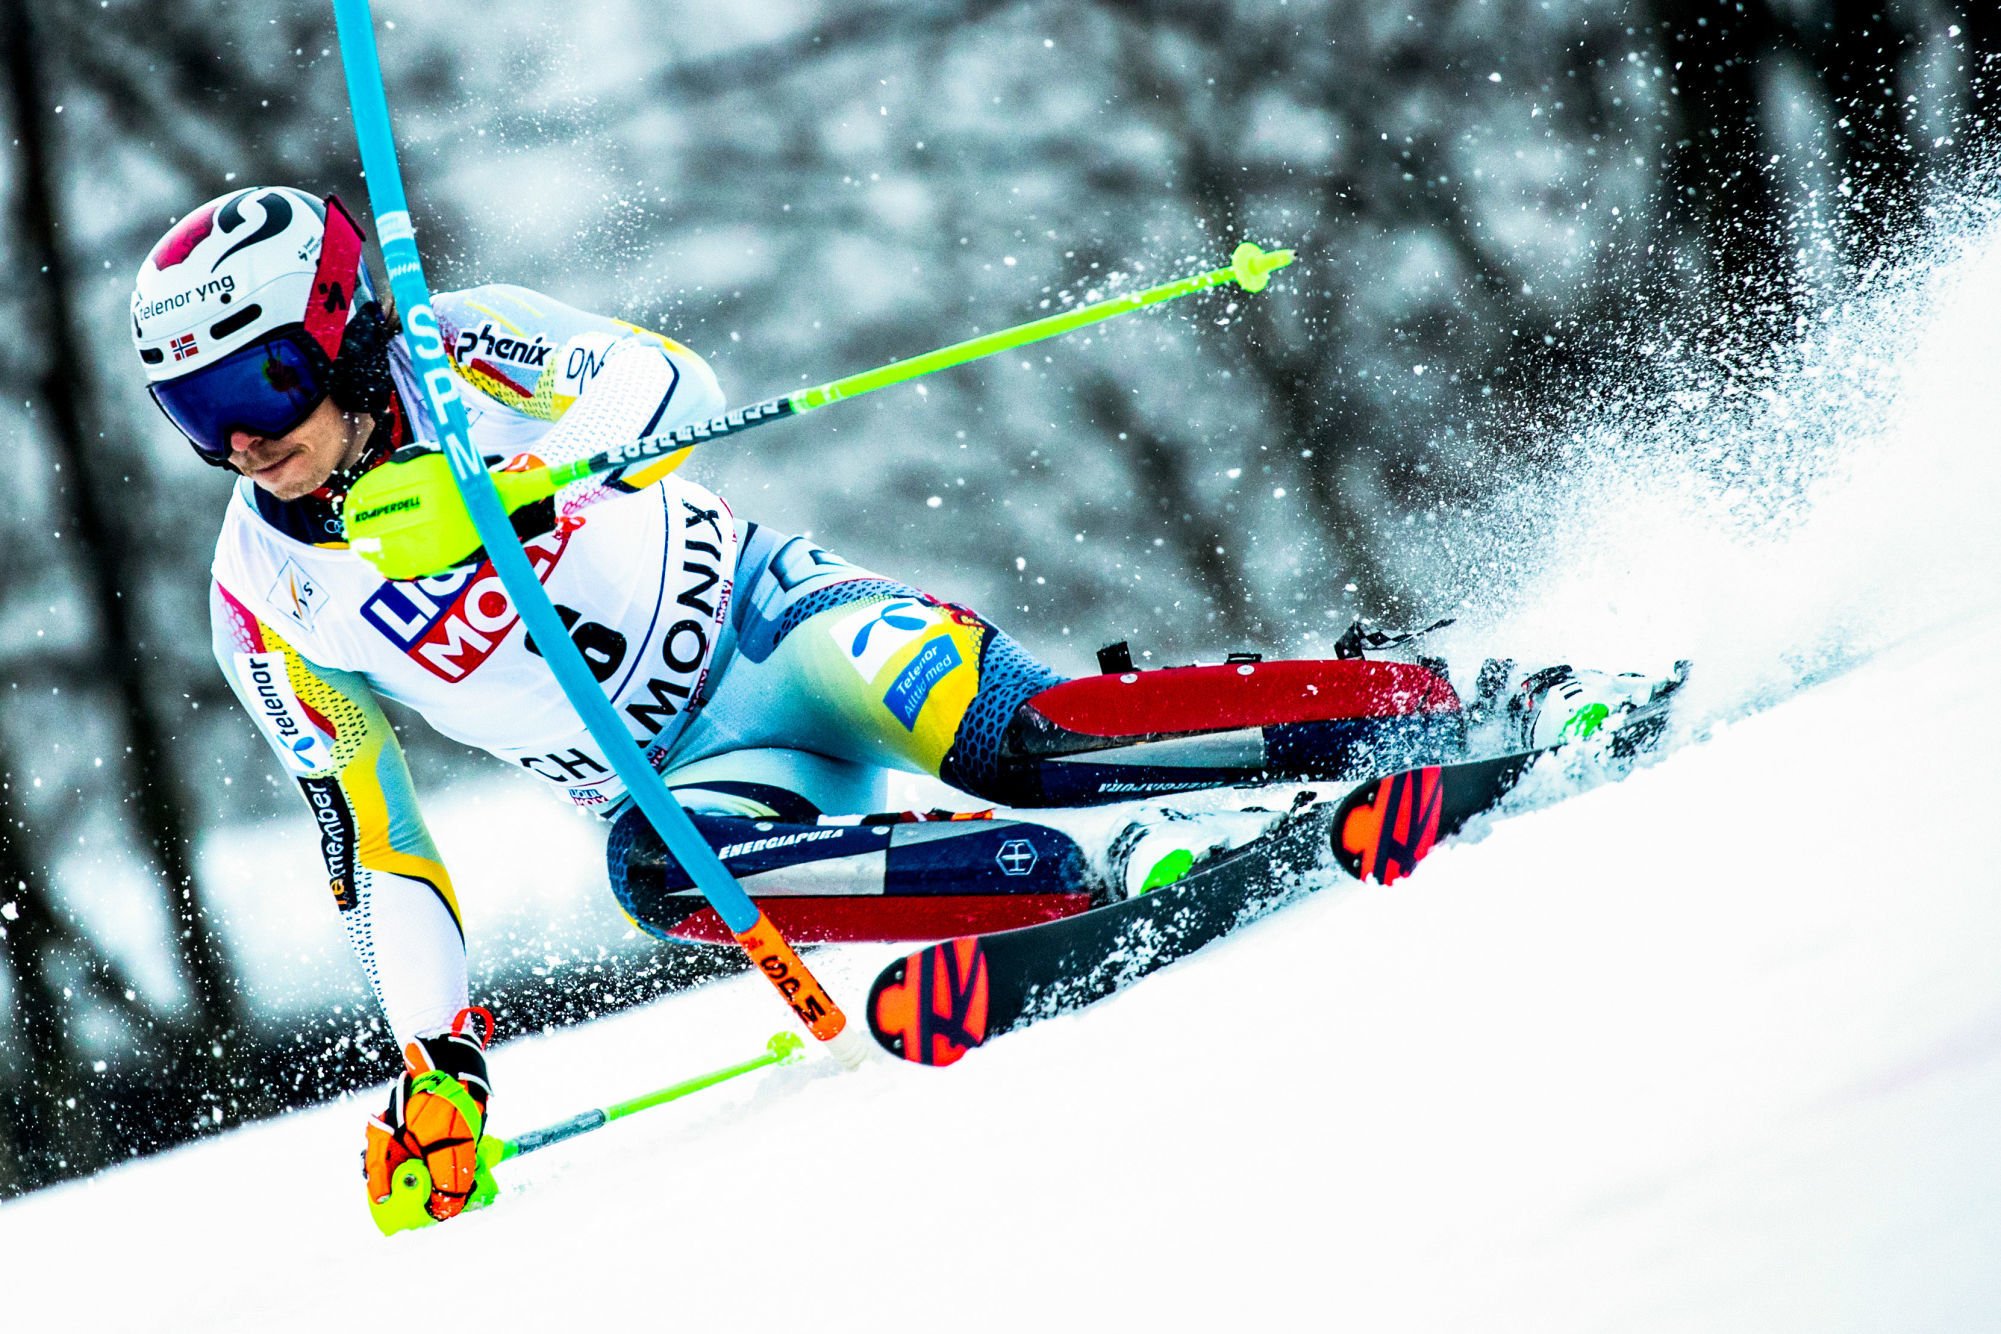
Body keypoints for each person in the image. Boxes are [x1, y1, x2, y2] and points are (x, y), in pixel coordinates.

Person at [131, 186, 1668, 1222]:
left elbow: (664, 384)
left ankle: (1446, 696)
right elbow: (378, 839)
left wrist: (509, 483)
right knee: (659, 872)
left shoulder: (455, 342)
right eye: (195, 415)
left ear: (341, 329)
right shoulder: (260, 599)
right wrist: (438, 1067)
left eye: (258, 386)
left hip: (780, 624)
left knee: (1018, 737)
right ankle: (1101, 874)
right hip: (682, 779)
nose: (241, 443)